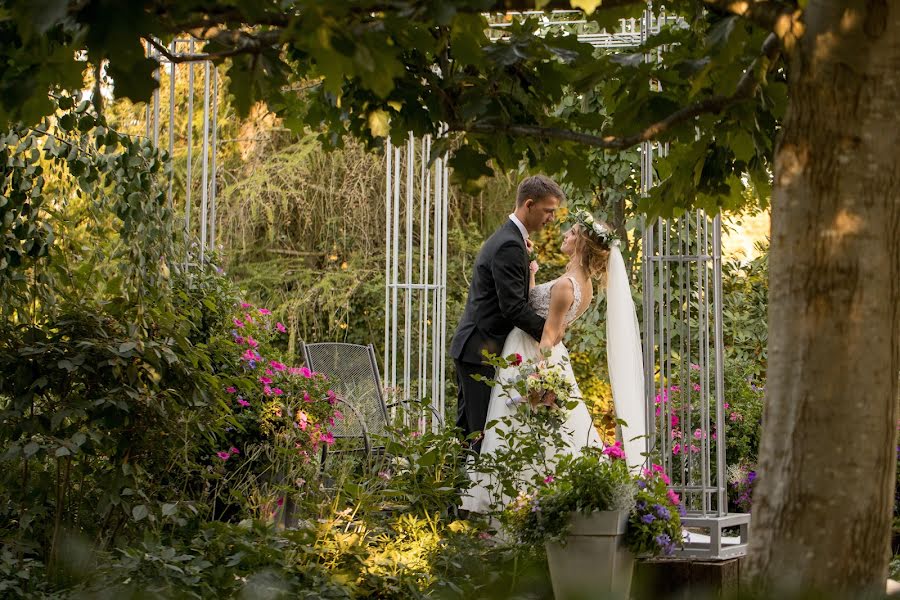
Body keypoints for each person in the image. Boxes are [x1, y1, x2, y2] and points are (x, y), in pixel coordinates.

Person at [463, 209, 647, 513]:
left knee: (516, 430)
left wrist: (540, 379)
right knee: (542, 436)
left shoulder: (565, 285)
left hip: (532, 356)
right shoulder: (582, 286)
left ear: (582, 244)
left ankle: (509, 505)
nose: (565, 234)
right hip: (541, 355)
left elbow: (548, 336)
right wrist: (532, 271)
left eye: (572, 233)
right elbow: (542, 310)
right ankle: (533, 501)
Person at [450, 175, 562, 453]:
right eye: (548, 211)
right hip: (480, 350)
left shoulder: (512, 240)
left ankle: (460, 495)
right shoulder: (510, 244)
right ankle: (471, 495)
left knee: (469, 434)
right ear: (529, 204)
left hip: (476, 348)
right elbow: (512, 307)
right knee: (479, 437)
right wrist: (549, 333)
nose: (551, 218)